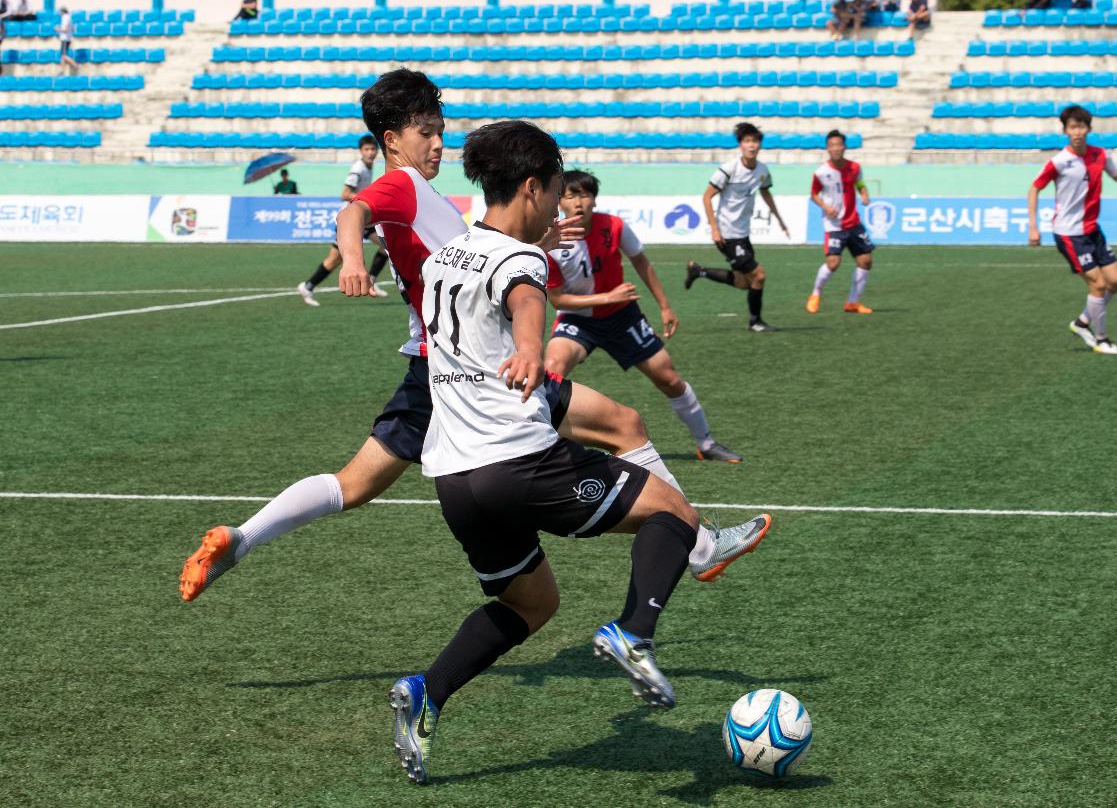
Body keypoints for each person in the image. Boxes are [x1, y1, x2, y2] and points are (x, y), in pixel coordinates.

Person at [180, 71, 768, 606]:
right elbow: (353, 212)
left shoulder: (426, 197)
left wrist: (534, 246)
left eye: (441, 132)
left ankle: (242, 537)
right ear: (391, 140)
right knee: (623, 424)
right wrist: (354, 261)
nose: (438, 144)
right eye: (426, 132)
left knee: (353, 484)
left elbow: (469, 271)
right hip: (472, 369)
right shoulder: (403, 186)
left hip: (434, 369)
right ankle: (696, 544)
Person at [384, 120, 770, 783]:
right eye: (557, 190)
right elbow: (527, 298)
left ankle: (427, 691)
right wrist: (532, 345)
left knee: (530, 605)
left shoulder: (449, 252)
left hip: (452, 477)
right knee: (673, 512)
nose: (561, 206)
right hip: (518, 463)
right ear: (532, 188)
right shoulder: (522, 259)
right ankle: (632, 630)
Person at [545, 169, 744, 464]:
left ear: (594, 200)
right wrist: (606, 296)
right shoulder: (551, 241)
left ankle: (706, 443)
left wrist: (665, 306)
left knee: (669, 377)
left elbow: (641, 262)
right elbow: (558, 299)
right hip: (577, 319)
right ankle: (542, 447)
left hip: (622, 316)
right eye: (571, 195)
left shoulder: (613, 226)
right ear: (559, 201)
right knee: (551, 370)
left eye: (585, 195)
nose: (579, 202)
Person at [1027, 105, 1117, 356]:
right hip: (1069, 234)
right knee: (1098, 285)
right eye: (1072, 127)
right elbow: (1034, 188)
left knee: (1116, 281)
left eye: (1081, 126)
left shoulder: (1100, 155)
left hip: (1093, 230)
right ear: (1065, 131)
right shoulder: (1059, 162)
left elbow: (1116, 175)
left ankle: (1082, 323)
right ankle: (1101, 340)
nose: (1077, 132)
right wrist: (1033, 226)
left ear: (1088, 129)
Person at [686, 122, 789, 333]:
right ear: (741, 145)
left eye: (755, 141)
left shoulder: (762, 170)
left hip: (743, 234)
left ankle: (699, 271)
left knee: (743, 283)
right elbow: (707, 197)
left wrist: (778, 217)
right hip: (727, 234)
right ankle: (755, 322)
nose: (752, 145)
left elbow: (766, 192)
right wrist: (714, 228)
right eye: (747, 141)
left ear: (759, 145)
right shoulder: (729, 169)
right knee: (758, 276)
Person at [296, 135, 390, 306]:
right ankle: (308, 286)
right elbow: (345, 194)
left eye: (372, 149)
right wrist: (366, 199)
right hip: (349, 221)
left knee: (386, 246)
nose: (370, 153)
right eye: (366, 150)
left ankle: (372, 280)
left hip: (361, 219)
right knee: (334, 260)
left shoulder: (367, 167)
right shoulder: (358, 168)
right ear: (361, 151)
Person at [807, 129, 874, 315]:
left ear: (844, 147)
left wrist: (864, 193)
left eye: (839, 145)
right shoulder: (821, 172)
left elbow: (859, 183)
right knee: (833, 263)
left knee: (866, 261)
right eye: (832, 145)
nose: (836, 148)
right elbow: (813, 194)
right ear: (828, 148)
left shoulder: (855, 168)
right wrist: (826, 208)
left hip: (854, 222)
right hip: (834, 224)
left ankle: (852, 302)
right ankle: (815, 294)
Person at [56, 8, 77, 76]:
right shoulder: (70, 18)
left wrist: (58, 29)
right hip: (68, 38)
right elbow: (73, 29)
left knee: (64, 56)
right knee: (63, 56)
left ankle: (74, 64)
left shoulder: (65, 18)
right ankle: (61, 71)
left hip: (65, 39)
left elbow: (65, 29)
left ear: (62, 12)